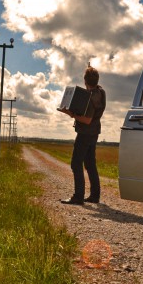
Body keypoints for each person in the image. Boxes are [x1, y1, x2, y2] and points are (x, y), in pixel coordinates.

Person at [57, 66, 106, 205]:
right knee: (90, 164)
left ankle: (78, 196)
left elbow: (87, 120)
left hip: (85, 133)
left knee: (76, 163)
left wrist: (71, 114)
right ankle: (95, 196)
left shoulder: (90, 97)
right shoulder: (101, 92)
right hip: (95, 132)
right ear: (97, 80)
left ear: (85, 81)